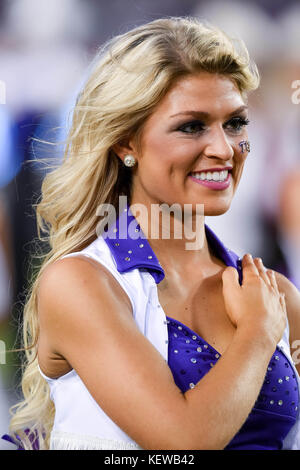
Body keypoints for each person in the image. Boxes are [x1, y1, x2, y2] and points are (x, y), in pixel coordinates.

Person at [3, 16, 300, 451]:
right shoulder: (82, 283)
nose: (223, 149)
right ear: (126, 142)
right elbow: (182, 443)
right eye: (191, 126)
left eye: (235, 123)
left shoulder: (276, 294)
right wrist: (256, 334)